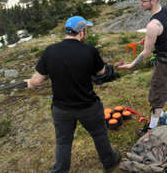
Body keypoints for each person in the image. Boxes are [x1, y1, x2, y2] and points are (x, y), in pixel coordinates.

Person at [25, 15, 121, 173]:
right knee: (99, 134)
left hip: (61, 109)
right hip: (88, 106)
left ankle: (60, 171)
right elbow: (102, 72)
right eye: (86, 30)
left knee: (63, 142)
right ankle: (109, 162)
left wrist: (29, 82)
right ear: (82, 32)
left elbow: (36, 81)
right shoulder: (89, 50)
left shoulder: (50, 51)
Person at [117, 0, 167, 137]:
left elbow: (146, 52)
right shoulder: (166, 11)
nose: (140, 4)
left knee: (157, 93)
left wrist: (131, 65)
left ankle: (151, 129)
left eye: (143, 1)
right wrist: (152, 39)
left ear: (154, 0)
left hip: (164, 62)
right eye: (140, 0)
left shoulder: (152, 25)